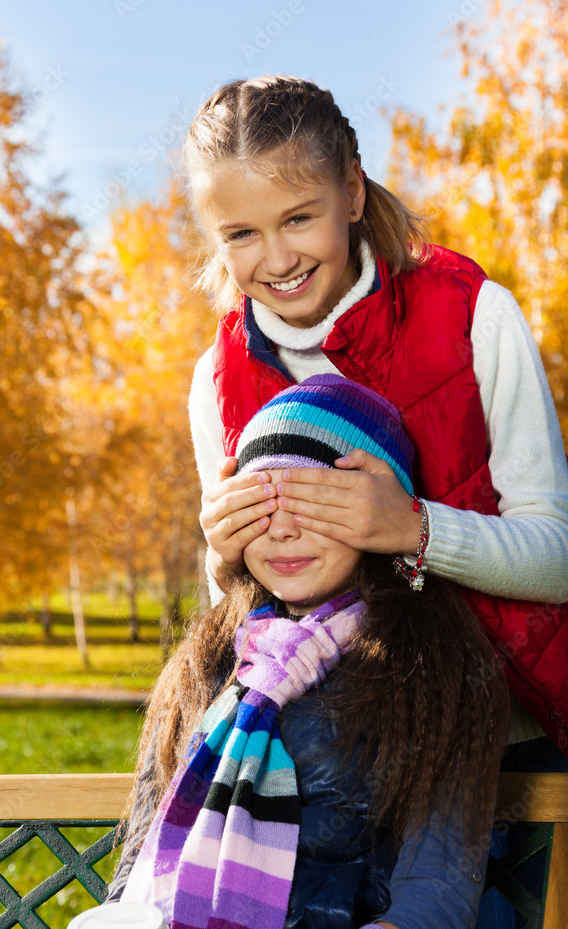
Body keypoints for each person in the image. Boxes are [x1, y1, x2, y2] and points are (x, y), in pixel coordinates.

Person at [60, 374, 509, 929]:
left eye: (313, 504)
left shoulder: (438, 668)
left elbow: (435, 912)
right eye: (259, 506)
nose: (281, 532)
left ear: (377, 515)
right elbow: (140, 865)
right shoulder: (210, 660)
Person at [185, 74, 568, 757]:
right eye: (240, 233)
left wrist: (411, 528)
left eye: (299, 217)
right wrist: (221, 554)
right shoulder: (216, 378)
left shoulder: (474, 315)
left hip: (508, 743)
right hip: (322, 752)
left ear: (352, 193)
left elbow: (557, 559)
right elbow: (236, 609)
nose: (277, 259)